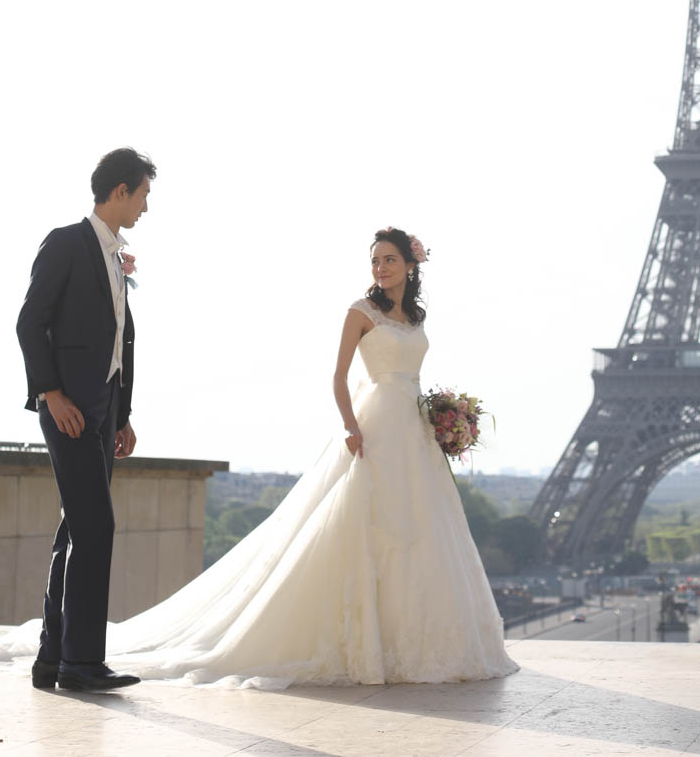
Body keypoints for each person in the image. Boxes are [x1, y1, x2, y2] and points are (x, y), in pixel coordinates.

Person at [86, 225, 517, 686]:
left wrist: (443, 416)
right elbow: (339, 376)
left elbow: (412, 377)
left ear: (411, 265)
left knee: (423, 530)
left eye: (390, 259)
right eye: (375, 260)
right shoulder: (361, 311)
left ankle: (417, 643)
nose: (381, 268)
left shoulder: (416, 317)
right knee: (372, 525)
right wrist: (350, 426)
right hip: (375, 428)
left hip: (414, 431)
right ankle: (367, 643)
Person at [15, 147, 156, 693]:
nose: (146, 207)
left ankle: (53, 660)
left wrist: (122, 414)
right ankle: (81, 664)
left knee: (77, 528)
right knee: (96, 527)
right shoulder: (67, 243)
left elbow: (119, 336)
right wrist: (50, 393)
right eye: (143, 195)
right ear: (120, 191)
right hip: (68, 409)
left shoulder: (116, 256)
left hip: (104, 409)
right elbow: (30, 322)